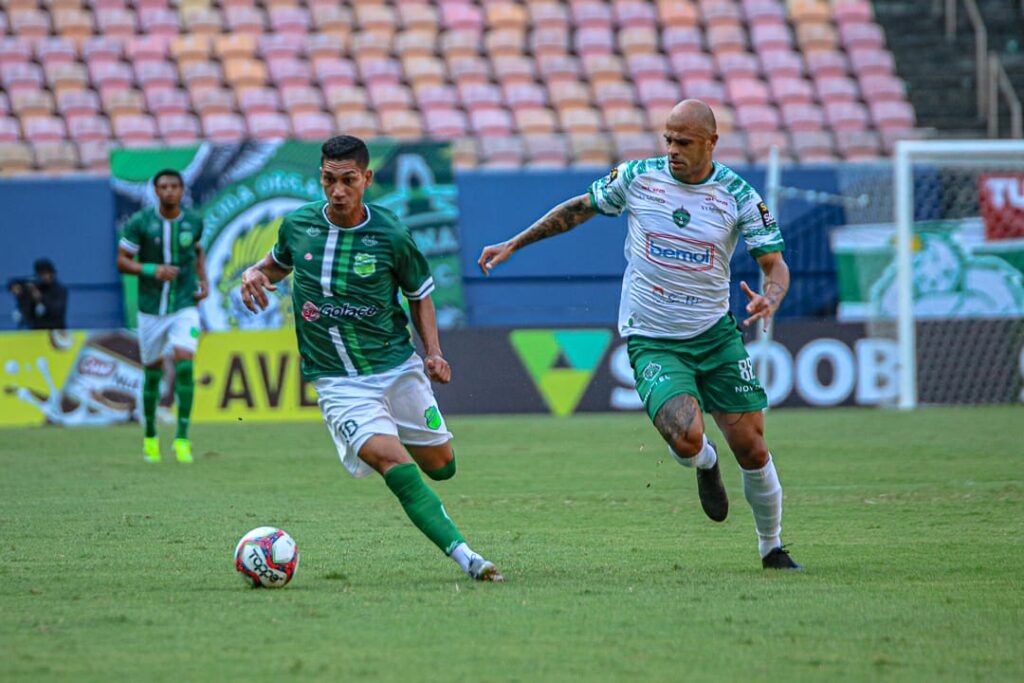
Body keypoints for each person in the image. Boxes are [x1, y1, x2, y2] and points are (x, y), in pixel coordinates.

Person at [478, 99, 802, 571]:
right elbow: (579, 208)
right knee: (687, 438)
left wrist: (771, 297)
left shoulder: (739, 196)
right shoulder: (637, 178)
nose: (672, 149)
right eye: (667, 139)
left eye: (684, 142)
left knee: (752, 447)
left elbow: (774, 266)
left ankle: (771, 547)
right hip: (653, 337)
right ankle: (706, 462)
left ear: (711, 143)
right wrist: (515, 242)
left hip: (715, 337)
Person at [239, 135, 503, 582]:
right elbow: (278, 263)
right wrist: (254, 272)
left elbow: (419, 295)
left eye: (347, 180)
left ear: (366, 179)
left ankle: (407, 439)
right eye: (328, 179)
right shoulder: (298, 225)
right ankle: (467, 557)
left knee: (442, 467)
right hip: (337, 382)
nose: (337, 190)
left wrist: (433, 353)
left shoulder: (392, 234)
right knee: (391, 463)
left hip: (396, 368)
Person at [116, 169, 208, 464]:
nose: (169, 191)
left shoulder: (193, 221)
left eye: (174, 187)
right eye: (163, 187)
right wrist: (150, 269)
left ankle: (182, 438)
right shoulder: (141, 222)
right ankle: (151, 436)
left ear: (182, 191)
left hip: (184, 305)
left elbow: (196, 251)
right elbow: (122, 261)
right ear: (155, 191)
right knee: (153, 372)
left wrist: (203, 280)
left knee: (184, 364)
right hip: (150, 308)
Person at [8, 259, 67, 329]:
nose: (44, 277)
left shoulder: (59, 290)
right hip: (36, 330)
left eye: (46, 273)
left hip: (55, 330)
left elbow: (57, 312)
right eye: (41, 274)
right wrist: (18, 290)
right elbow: (16, 284)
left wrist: (41, 298)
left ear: (52, 274)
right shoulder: (35, 286)